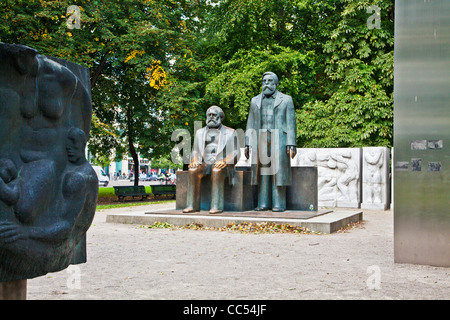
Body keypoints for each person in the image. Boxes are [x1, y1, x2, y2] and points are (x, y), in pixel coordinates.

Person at [244, 72, 297, 212]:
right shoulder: (254, 101)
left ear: (275, 83)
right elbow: (250, 122)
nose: (266, 84)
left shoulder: (286, 100)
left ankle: (279, 204)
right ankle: (263, 203)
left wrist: (291, 142)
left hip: (279, 138)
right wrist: (248, 142)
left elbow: (291, 122)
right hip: (260, 138)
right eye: (264, 81)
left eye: (269, 81)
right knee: (262, 173)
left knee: (278, 172)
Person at [183, 106, 240, 214]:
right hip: (205, 163)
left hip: (222, 164)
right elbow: (195, 151)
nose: (211, 117)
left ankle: (216, 206)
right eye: (209, 115)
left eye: (214, 115)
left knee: (216, 171)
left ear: (221, 116)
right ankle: (192, 205)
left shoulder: (231, 132)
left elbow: (236, 152)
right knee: (193, 170)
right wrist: (194, 160)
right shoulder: (199, 132)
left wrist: (225, 161)